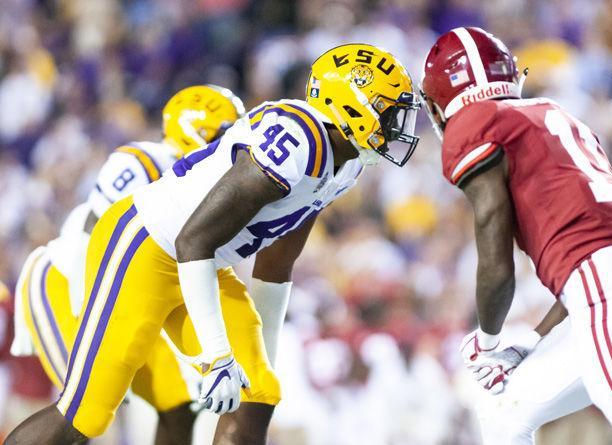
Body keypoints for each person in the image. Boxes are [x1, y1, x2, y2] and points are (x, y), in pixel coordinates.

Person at [5, 43, 421, 445]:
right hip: (147, 247)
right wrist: (218, 356)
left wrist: (263, 358)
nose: (398, 125)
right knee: (86, 414)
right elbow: (193, 238)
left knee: (258, 392)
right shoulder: (297, 140)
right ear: (352, 107)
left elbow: (276, 267)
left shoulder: (344, 164)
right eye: (389, 112)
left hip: (200, 263)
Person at [421, 27, 612, 444]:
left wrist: (488, 340)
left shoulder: (474, 123)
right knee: (504, 411)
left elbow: (496, 253)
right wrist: (533, 339)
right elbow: (590, 260)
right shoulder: (552, 113)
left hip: (608, 294)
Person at [9, 85, 245, 445]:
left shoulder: (214, 184)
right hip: (70, 283)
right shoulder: (144, 161)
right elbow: (101, 240)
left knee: (179, 402)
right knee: (84, 412)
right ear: (194, 130)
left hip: (127, 295)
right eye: (224, 134)